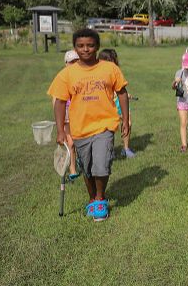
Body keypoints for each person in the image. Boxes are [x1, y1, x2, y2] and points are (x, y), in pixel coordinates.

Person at [47, 29, 128, 222]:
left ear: (97, 47)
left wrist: (125, 119)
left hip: (105, 125)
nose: (86, 49)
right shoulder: (67, 74)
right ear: (75, 48)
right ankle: (92, 198)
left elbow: (122, 92)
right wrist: (60, 130)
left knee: (102, 164)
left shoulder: (109, 68)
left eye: (90, 45)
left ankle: (100, 198)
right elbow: (59, 102)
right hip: (80, 129)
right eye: (81, 46)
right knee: (88, 167)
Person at [99, 48, 134, 158]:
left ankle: (126, 148)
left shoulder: (116, 72)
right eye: (109, 60)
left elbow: (121, 89)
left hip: (120, 105)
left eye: (114, 60)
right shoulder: (100, 74)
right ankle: (110, 150)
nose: (113, 63)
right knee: (110, 128)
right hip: (109, 106)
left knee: (128, 123)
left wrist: (126, 95)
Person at [54, 50, 80, 179]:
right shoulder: (62, 78)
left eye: (77, 61)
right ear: (66, 63)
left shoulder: (81, 76)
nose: (74, 64)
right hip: (67, 115)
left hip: (79, 114)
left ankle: (78, 162)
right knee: (70, 143)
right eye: (71, 62)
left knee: (77, 141)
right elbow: (56, 100)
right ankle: (72, 170)